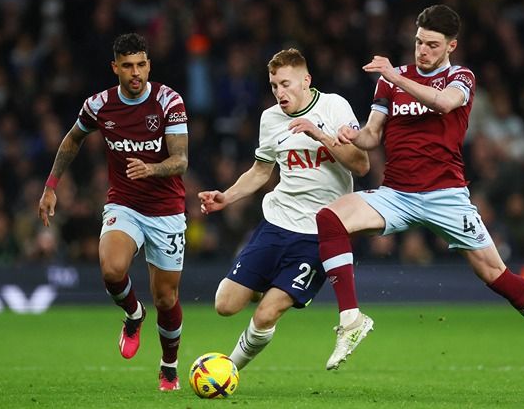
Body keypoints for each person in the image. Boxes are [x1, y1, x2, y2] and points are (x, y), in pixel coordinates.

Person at [316, 4, 524, 377]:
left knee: (495, 274)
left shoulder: (461, 77)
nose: (422, 51)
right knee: (329, 219)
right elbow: (372, 136)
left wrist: (396, 79)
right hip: (396, 194)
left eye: (432, 44)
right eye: (418, 42)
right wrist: (352, 136)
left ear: (451, 46)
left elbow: (444, 103)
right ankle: (351, 319)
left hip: (446, 196)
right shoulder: (391, 78)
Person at [197, 48, 369, 370]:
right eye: (274, 85)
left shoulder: (335, 107)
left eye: (286, 84)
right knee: (224, 304)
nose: (279, 92)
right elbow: (261, 171)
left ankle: (228, 369)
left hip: (319, 236)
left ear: (306, 80)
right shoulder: (270, 118)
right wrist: (227, 197)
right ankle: (262, 285)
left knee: (266, 314)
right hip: (276, 224)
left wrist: (319, 134)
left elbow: (361, 164)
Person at [38, 33, 188, 390]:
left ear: (148, 64)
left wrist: (151, 168)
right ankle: (134, 315)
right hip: (125, 203)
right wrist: (50, 186)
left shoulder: (169, 101)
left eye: (141, 65)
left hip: (166, 209)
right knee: (111, 269)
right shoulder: (99, 105)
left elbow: (181, 160)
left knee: (167, 297)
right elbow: (73, 139)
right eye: (127, 66)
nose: (135, 73)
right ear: (115, 68)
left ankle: (169, 366)